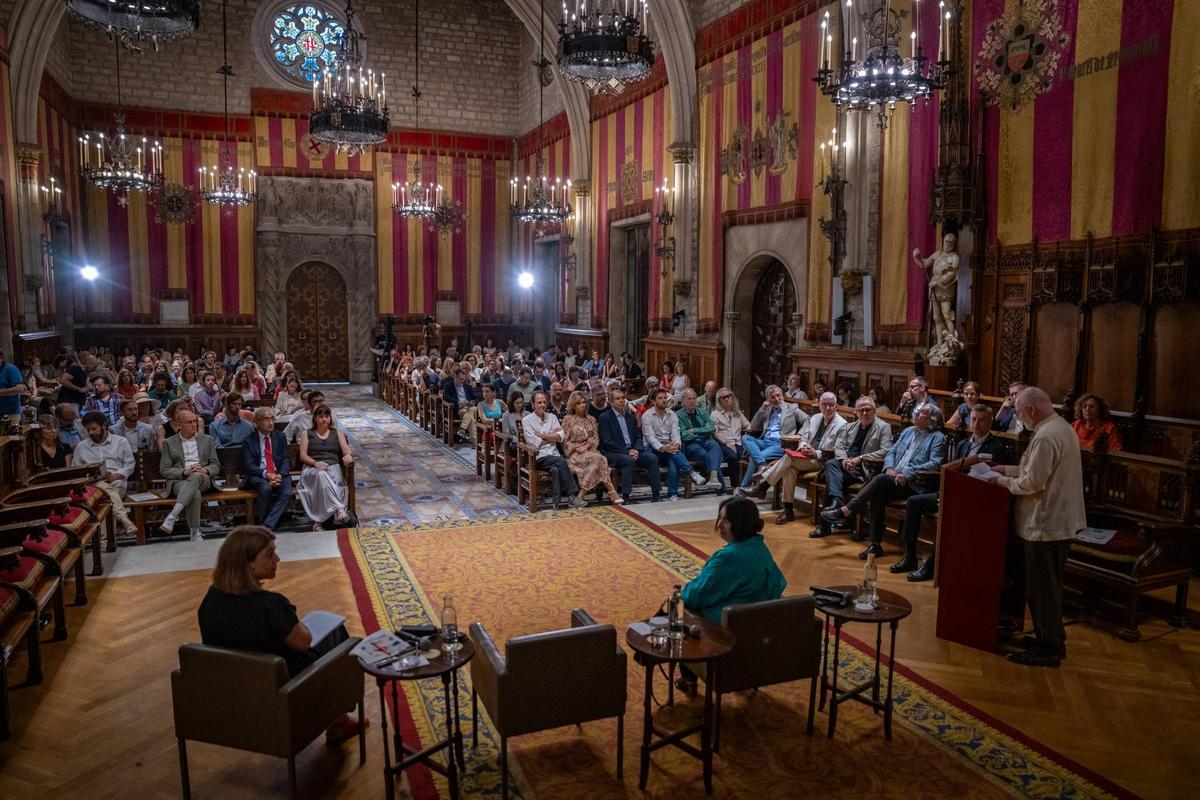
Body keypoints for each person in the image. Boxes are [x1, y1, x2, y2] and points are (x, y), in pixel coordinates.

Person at [197, 526, 365, 741]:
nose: (277, 559)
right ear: (248, 563)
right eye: (269, 554)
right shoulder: (270, 605)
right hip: (287, 689)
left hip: (231, 693)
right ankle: (338, 718)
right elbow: (303, 642)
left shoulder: (212, 599)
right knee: (338, 633)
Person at [989, 387, 1086, 668]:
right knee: (1046, 587)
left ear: (1030, 410)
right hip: (1055, 522)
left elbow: (1033, 482)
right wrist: (1007, 470)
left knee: (1043, 590)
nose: (1019, 417)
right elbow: (1037, 469)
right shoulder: (1061, 428)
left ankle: (1049, 648)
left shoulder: (1045, 436)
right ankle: (1049, 637)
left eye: (1019, 412)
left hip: (1046, 524)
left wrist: (1000, 482)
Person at [675, 497, 787, 695]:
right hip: (757, 627)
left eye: (725, 520)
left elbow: (695, 595)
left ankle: (688, 679)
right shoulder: (760, 549)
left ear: (740, 523)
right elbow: (778, 584)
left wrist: (681, 593)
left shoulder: (728, 557)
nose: (719, 524)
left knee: (683, 608)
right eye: (719, 518)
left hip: (727, 629)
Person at [895, 404, 1011, 582]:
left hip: (974, 498)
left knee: (949, 515)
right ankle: (909, 556)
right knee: (914, 502)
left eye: (982, 420)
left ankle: (931, 566)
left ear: (990, 422)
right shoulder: (963, 444)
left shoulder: (996, 447)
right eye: (974, 419)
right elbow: (952, 470)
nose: (976, 424)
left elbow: (993, 480)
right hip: (952, 492)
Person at [822, 405, 946, 559]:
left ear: (931, 419)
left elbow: (935, 463)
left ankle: (847, 510)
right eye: (918, 410)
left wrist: (907, 473)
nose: (916, 413)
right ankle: (875, 545)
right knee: (878, 493)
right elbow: (891, 451)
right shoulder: (908, 431)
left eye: (922, 412)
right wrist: (889, 467)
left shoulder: (937, 437)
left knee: (880, 481)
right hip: (894, 478)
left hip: (915, 483)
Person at [761, 391, 849, 525]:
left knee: (789, 459)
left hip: (823, 461)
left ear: (836, 406)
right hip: (805, 457)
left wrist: (816, 453)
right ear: (819, 405)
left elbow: (838, 451)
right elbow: (804, 437)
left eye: (831, 405)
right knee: (789, 469)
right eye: (824, 404)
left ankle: (764, 484)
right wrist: (803, 447)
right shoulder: (815, 418)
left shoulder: (842, 424)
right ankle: (788, 510)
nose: (828, 408)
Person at [812, 396, 894, 538]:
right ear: (856, 412)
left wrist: (859, 459)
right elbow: (839, 445)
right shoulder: (850, 426)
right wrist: (844, 460)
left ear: (874, 411)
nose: (864, 413)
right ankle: (837, 502)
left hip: (865, 469)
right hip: (846, 466)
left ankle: (825, 524)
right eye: (861, 410)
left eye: (868, 410)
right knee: (831, 464)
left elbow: (885, 450)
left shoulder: (883, 427)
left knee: (833, 479)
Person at [74, 411, 139, 537]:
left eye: (94, 428)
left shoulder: (121, 442)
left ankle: (104, 541)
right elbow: (75, 471)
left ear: (104, 425)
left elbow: (130, 465)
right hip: (92, 486)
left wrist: (116, 475)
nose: (91, 433)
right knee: (103, 492)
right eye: (88, 430)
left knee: (104, 499)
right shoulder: (81, 447)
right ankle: (124, 520)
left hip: (117, 482)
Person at [159, 409, 221, 539]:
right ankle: (194, 533)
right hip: (179, 481)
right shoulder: (168, 442)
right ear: (179, 425)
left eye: (194, 421)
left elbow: (216, 465)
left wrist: (205, 470)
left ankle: (173, 515)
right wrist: (184, 471)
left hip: (203, 478)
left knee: (196, 476)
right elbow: (164, 470)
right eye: (189, 422)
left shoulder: (207, 440)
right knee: (195, 494)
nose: (194, 424)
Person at [737, 384, 807, 494]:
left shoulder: (792, 408)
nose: (777, 399)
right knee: (745, 437)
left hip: (779, 444)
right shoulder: (766, 409)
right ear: (768, 399)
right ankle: (762, 464)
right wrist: (762, 409)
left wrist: (800, 434)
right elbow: (754, 427)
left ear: (782, 395)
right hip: (765, 441)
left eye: (778, 395)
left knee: (754, 458)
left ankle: (743, 488)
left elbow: (807, 419)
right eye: (773, 397)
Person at [598, 387, 662, 504]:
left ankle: (656, 495)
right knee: (628, 460)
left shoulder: (631, 417)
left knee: (652, 458)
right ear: (611, 402)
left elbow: (638, 437)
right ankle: (626, 496)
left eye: (623, 398)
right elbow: (607, 442)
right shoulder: (605, 418)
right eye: (618, 398)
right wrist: (627, 452)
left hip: (632, 451)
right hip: (613, 452)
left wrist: (636, 449)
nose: (621, 400)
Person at [522, 391, 584, 509]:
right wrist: (552, 437)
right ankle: (572, 496)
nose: (542, 405)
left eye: (544, 402)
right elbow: (533, 442)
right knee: (561, 461)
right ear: (533, 404)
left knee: (555, 469)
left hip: (554, 456)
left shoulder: (552, 417)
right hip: (539, 457)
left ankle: (555, 503)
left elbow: (561, 437)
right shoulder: (527, 420)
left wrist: (542, 435)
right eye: (539, 402)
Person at [642, 388, 705, 501]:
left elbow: (676, 433)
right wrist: (663, 447)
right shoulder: (647, 416)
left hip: (669, 447)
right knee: (672, 454)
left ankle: (672, 494)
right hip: (653, 448)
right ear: (653, 401)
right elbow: (651, 438)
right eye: (660, 398)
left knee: (673, 462)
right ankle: (691, 472)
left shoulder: (672, 414)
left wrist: (676, 444)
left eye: (665, 397)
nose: (664, 400)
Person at [298, 404, 355, 529]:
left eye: (327, 416)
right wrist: (315, 463)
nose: (324, 419)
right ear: (315, 418)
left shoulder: (337, 433)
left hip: (333, 468)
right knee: (321, 475)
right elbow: (303, 455)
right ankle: (339, 508)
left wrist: (347, 455)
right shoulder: (307, 434)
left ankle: (318, 522)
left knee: (325, 478)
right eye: (321, 416)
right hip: (312, 469)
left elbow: (346, 450)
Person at [562, 392, 623, 506]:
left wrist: (587, 446)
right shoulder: (568, 419)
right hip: (575, 455)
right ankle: (612, 491)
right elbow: (565, 441)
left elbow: (595, 439)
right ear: (573, 406)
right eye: (578, 403)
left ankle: (579, 497)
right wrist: (577, 448)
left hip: (590, 452)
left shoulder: (591, 419)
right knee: (601, 460)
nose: (582, 405)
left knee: (598, 459)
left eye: (584, 402)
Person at [243, 406, 293, 529]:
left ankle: (267, 524)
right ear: (257, 422)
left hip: (278, 473)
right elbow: (249, 465)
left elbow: (285, 459)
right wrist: (266, 474)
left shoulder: (280, 437)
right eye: (266, 419)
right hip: (260, 474)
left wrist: (280, 474)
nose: (271, 423)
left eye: (272, 419)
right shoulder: (249, 440)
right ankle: (264, 521)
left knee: (287, 493)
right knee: (266, 488)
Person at [677, 388, 726, 492]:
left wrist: (694, 430)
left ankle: (713, 477)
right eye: (689, 399)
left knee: (716, 447)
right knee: (703, 453)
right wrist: (703, 431)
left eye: (694, 398)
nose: (692, 401)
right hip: (691, 444)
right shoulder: (679, 415)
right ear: (683, 401)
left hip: (706, 441)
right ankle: (719, 487)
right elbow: (684, 435)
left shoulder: (702, 412)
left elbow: (712, 428)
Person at [710, 387, 750, 485]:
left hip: (738, 442)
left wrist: (747, 436)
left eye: (729, 396)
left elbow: (747, 425)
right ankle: (735, 485)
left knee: (746, 456)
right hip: (723, 443)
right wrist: (726, 442)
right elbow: (714, 432)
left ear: (732, 397)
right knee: (732, 457)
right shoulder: (715, 414)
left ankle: (745, 484)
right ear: (719, 400)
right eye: (723, 397)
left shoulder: (737, 412)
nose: (727, 399)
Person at [0, 349, 28, 422]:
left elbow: (20, 389)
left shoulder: (10, 369)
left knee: (12, 429)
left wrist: (1, 392)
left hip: (10, 412)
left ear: (1, 359)